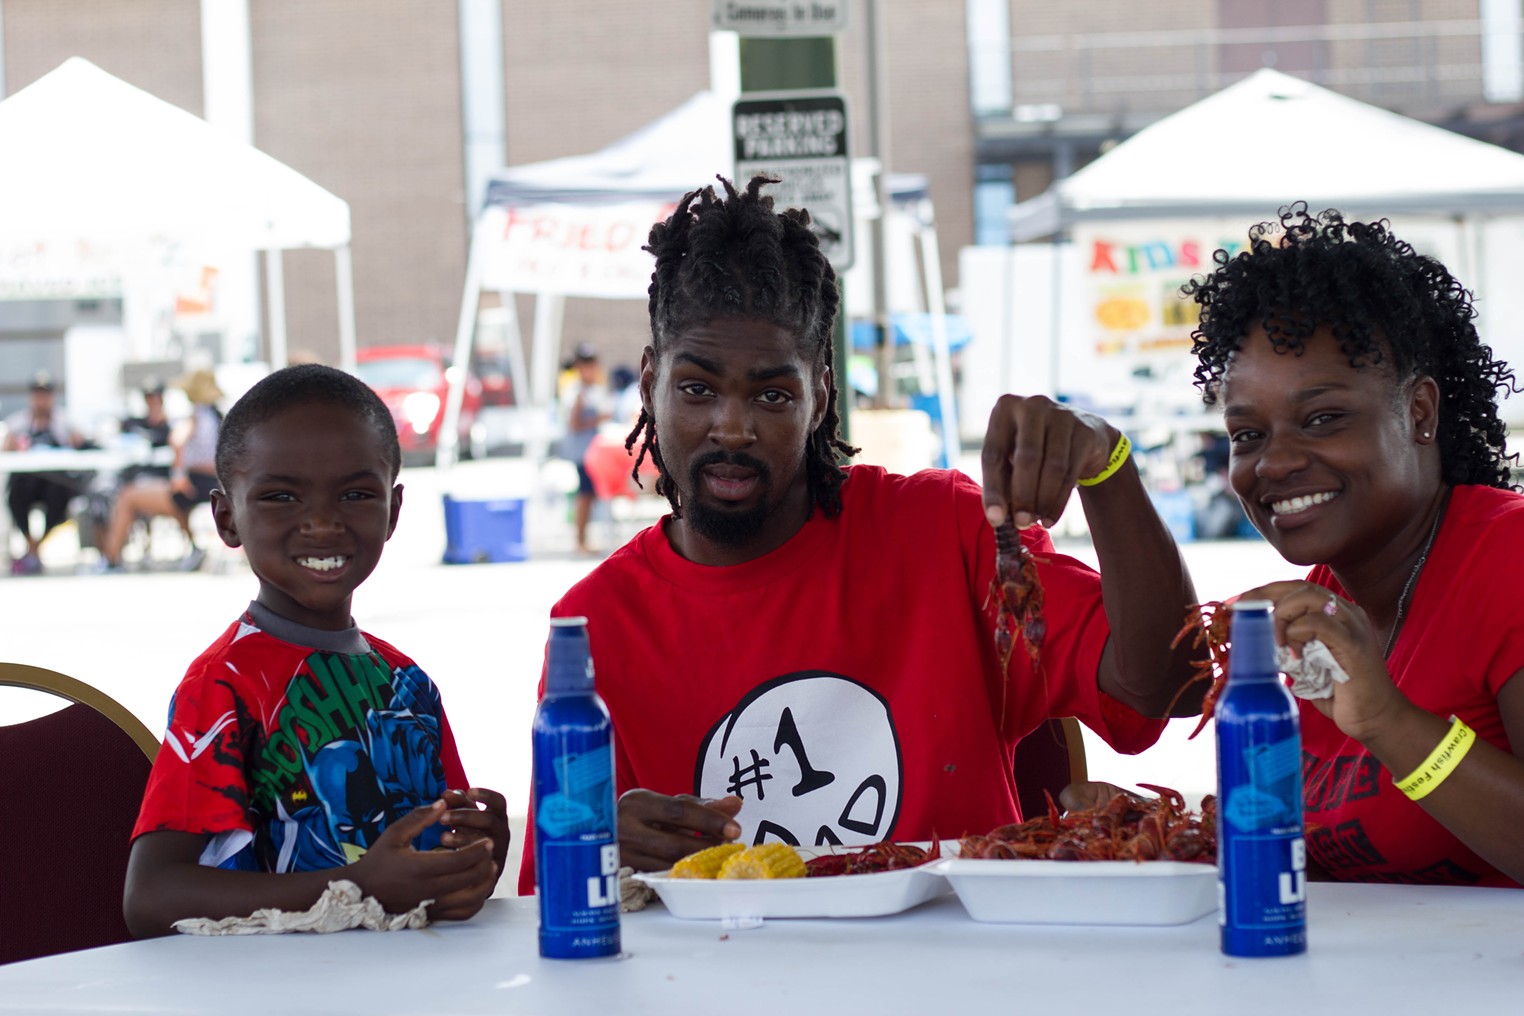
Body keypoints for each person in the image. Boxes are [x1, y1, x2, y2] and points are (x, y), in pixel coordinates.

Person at [516, 176, 1205, 892]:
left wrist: (1108, 466)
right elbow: (552, 904)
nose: (732, 425)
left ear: (821, 397)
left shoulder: (946, 531)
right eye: (697, 389)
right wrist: (598, 847)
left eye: (773, 394)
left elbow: (1169, 686)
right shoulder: (593, 626)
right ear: (650, 383)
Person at [1176, 204, 1523, 887]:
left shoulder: (1507, 558)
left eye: (1322, 418)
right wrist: (1156, 833)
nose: (1272, 464)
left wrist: (1390, 721)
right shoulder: (1326, 607)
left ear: (1419, 412)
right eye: (1247, 435)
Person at [123, 364, 510, 937]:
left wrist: (474, 854)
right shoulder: (223, 685)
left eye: (355, 494)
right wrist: (358, 888)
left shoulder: (407, 683)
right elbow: (152, 897)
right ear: (227, 518)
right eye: (281, 496)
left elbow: (423, 858)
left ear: (393, 511)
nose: (323, 523)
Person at [98, 368, 223, 571]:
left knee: (128, 496)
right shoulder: (217, 416)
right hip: (212, 483)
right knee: (157, 499)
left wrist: (179, 474)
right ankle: (194, 547)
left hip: (194, 484)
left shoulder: (198, 415)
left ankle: (111, 559)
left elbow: (177, 439)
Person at [3, 371, 85, 575]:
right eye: (38, 394)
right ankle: (32, 545)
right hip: (27, 483)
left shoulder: (64, 421)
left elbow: (81, 444)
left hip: (54, 484)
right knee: (15, 497)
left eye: (45, 394)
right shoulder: (18, 422)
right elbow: (6, 450)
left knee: (60, 496)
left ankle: (34, 548)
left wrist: (76, 441)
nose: (41, 399)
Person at [559, 343, 612, 554]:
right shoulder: (575, 391)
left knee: (589, 494)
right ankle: (580, 541)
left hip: (593, 450)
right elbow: (574, 423)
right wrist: (598, 418)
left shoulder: (594, 389)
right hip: (583, 451)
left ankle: (583, 540)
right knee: (585, 493)